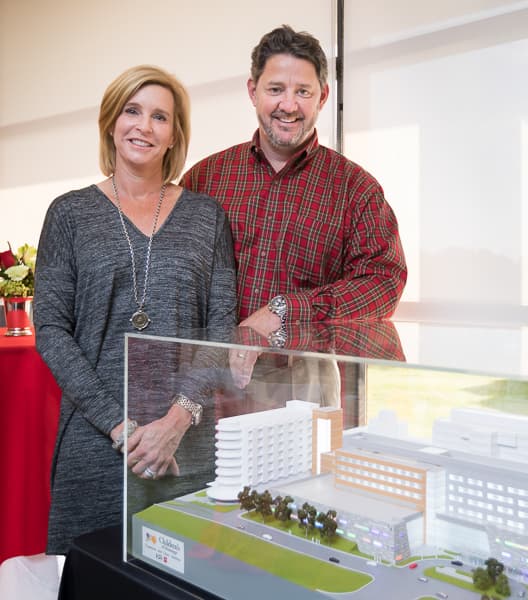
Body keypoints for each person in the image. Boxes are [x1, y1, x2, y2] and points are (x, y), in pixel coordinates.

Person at [34, 65, 237, 555]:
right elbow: (51, 330)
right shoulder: (69, 213)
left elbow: (220, 328)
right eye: (132, 111)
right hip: (96, 442)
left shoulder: (207, 216)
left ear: (174, 136)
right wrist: (122, 428)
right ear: (111, 122)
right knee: (92, 580)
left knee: (185, 580)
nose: (144, 126)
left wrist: (175, 421)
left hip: (184, 446)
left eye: (160, 117)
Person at [182, 24, 407, 341]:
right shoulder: (205, 177)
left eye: (303, 91)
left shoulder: (357, 189)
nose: (288, 106)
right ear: (252, 91)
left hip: (305, 381)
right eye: (275, 90)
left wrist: (284, 311)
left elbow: (383, 283)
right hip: (211, 378)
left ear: (323, 96)